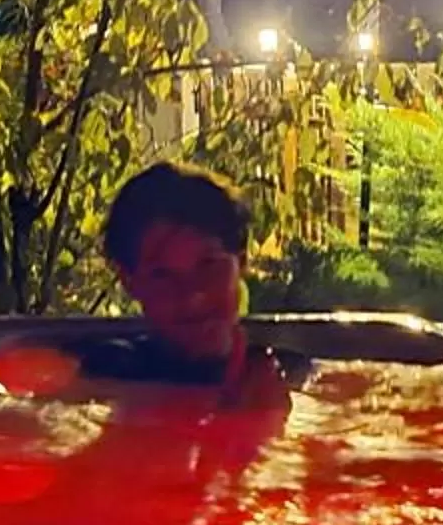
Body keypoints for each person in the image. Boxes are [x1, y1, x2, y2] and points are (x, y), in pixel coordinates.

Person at [66, 162, 299, 400]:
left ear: (241, 262)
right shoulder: (113, 373)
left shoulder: (287, 374)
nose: (192, 295)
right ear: (131, 282)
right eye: (162, 275)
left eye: (207, 264)